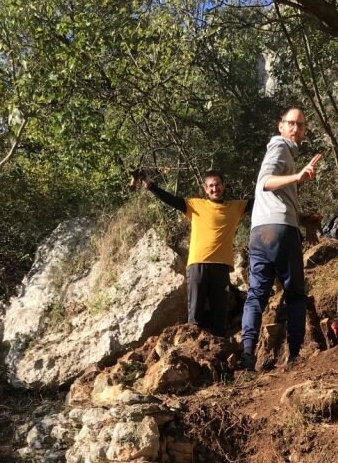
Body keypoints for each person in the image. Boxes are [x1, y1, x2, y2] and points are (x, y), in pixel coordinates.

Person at [240, 108, 321, 370]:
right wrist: (298, 176)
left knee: (256, 296)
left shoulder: (283, 151)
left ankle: (248, 354)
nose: (296, 128)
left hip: (258, 232)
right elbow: (265, 181)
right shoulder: (279, 149)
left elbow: (278, 190)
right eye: (291, 123)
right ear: (280, 126)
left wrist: (300, 183)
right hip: (280, 230)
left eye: (300, 125)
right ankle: (294, 355)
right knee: (295, 294)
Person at [132, 168, 250, 336]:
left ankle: (220, 355)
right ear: (205, 189)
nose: (214, 189)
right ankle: (193, 350)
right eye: (210, 186)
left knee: (220, 314)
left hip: (222, 268)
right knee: (195, 312)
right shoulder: (195, 205)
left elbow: (261, 198)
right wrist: (150, 185)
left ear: (223, 186)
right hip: (198, 265)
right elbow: (171, 200)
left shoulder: (236, 207)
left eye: (217, 185)